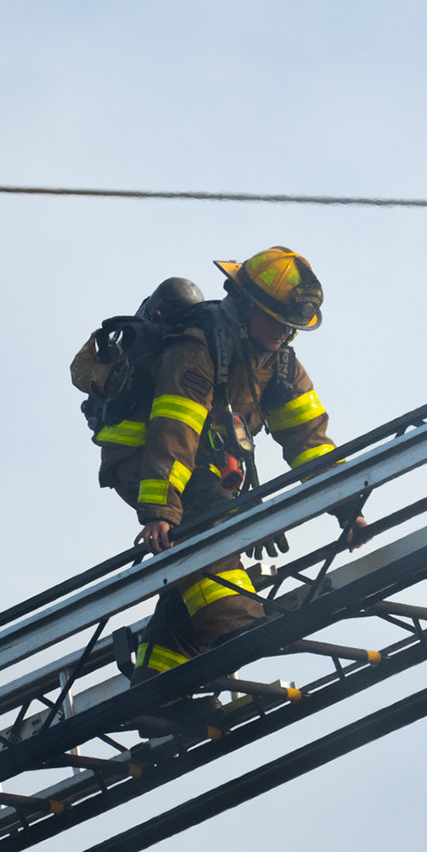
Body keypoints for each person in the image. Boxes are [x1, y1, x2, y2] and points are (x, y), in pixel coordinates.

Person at [94, 246, 368, 679]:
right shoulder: (198, 345)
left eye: (292, 326)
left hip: (197, 463)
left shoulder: (280, 365)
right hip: (143, 457)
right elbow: (174, 427)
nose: (285, 332)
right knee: (205, 529)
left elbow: (309, 440)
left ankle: (160, 675)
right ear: (246, 306)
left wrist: (347, 507)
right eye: (278, 321)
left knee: (206, 540)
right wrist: (161, 512)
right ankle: (238, 626)